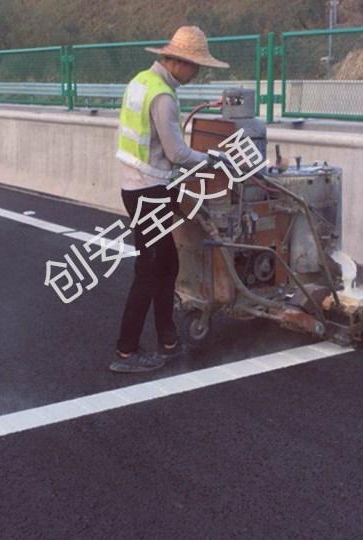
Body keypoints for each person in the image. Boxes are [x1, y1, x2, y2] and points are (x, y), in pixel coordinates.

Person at [111, 26, 229, 373]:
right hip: (149, 190)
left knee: (166, 265)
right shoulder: (162, 96)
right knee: (148, 271)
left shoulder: (140, 82)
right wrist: (212, 160)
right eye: (195, 67)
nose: (196, 74)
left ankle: (168, 340)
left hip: (137, 185)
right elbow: (177, 153)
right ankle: (126, 352)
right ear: (178, 62)